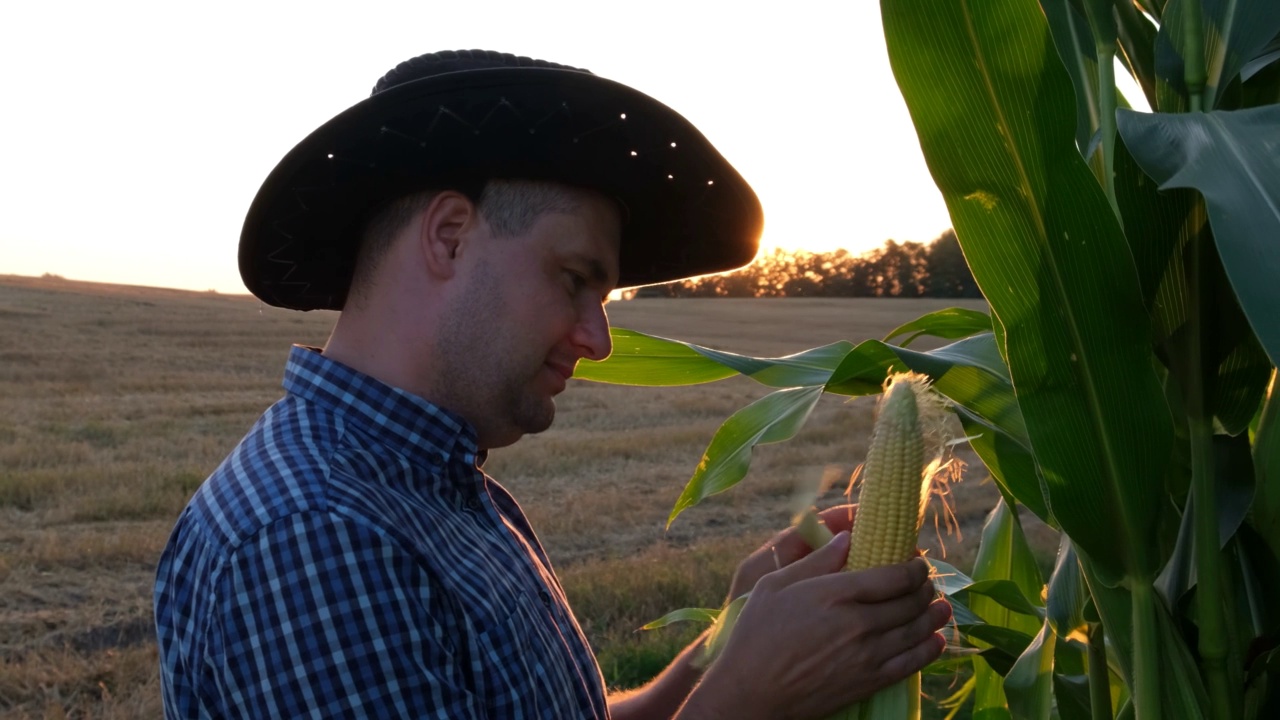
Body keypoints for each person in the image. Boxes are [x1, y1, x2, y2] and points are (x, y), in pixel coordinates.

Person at [154, 49, 951, 719]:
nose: (599, 340)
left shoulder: (442, 488)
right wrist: (746, 700)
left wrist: (723, 650)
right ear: (451, 237)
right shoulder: (312, 535)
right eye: (575, 279)